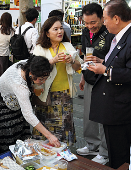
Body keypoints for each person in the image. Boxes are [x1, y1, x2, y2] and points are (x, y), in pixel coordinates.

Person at [87, 0, 131, 168]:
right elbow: (121, 62)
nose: (104, 23)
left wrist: (105, 70)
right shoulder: (120, 36)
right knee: (116, 151)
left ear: (117, 18)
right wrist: (102, 61)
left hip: (120, 108)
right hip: (114, 105)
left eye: (105, 19)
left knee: (118, 155)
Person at [0, 55, 61, 153]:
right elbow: (28, 114)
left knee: (22, 143)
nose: (43, 82)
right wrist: (49, 135)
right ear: (31, 74)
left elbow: (43, 64)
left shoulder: (29, 64)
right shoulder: (20, 86)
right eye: (40, 79)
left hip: (16, 105)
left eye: (45, 78)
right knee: (8, 146)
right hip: (3, 110)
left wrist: (53, 60)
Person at [32, 16, 82, 146]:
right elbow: (35, 70)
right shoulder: (39, 48)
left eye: (61, 28)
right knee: (46, 124)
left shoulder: (67, 46)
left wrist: (71, 61)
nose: (60, 32)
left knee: (64, 126)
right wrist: (53, 60)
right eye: (55, 29)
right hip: (45, 94)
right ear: (47, 33)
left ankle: (63, 154)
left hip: (64, 94)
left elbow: (79, 67)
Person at [76, 3, 114, 165]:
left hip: (106, 78)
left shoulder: (111, 33)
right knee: (89, 114)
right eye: (86, 22)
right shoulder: (85, 32)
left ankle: (105, 152)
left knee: (105, 115)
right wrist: (83, 77)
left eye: (93, 22)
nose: (90, 26)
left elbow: (116, 59)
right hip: (90, 77)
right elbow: (86, 55)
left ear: (102, 19)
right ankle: (92, 144)